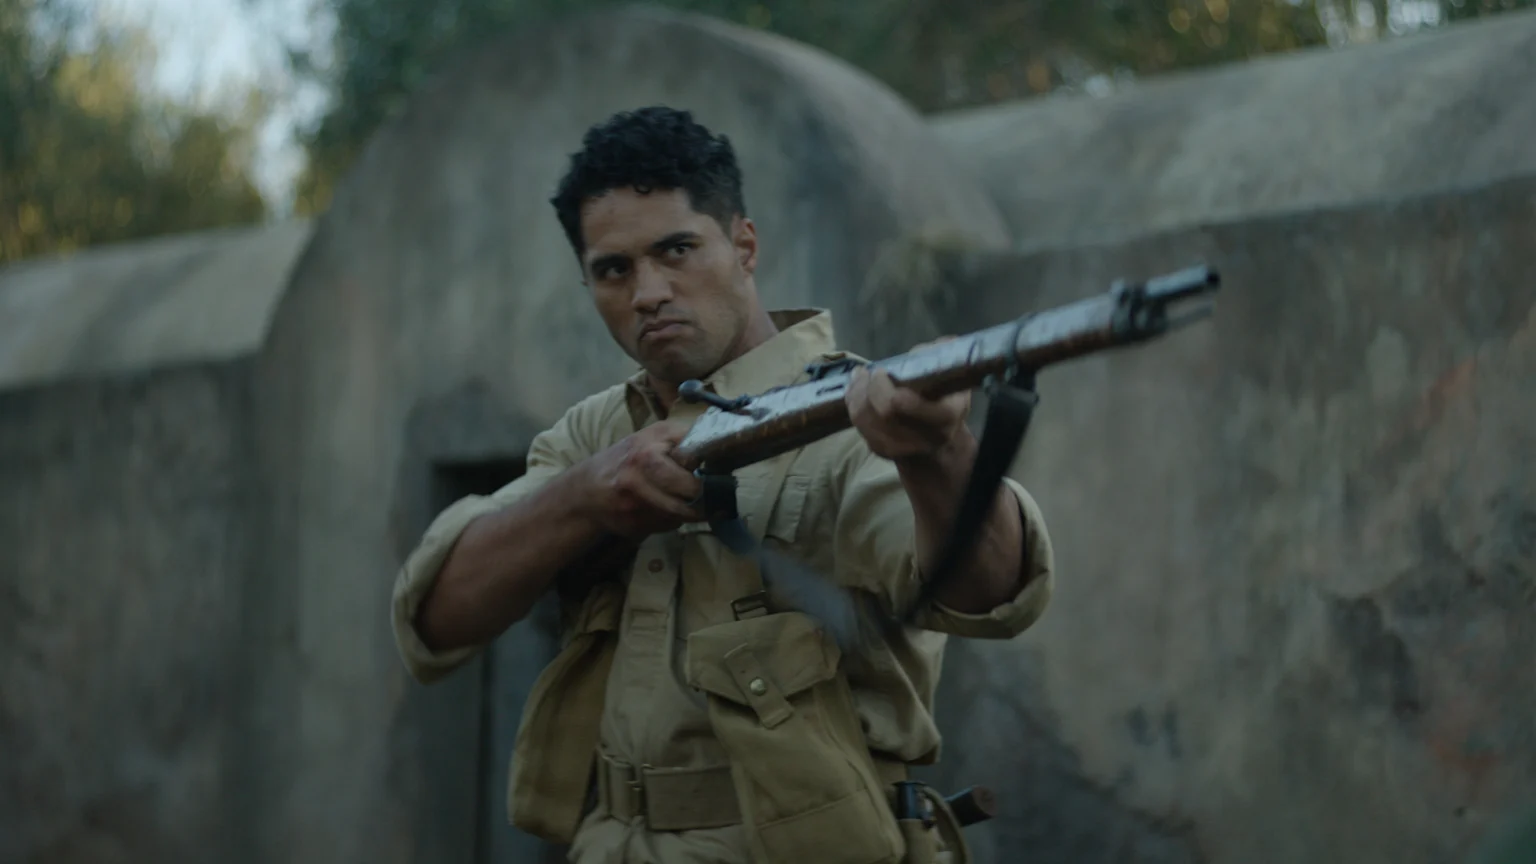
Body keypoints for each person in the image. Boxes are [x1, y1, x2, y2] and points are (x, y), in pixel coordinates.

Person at [391, 105, 1055, 864]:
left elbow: (997, 593)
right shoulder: (595, 437)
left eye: (676, 250)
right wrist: (584, 498)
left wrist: (936, 450)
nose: (648, 292)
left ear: (744, 245)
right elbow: (435, 618)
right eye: (614, 269)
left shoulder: (847, 414)